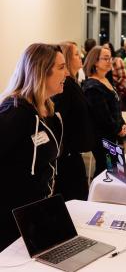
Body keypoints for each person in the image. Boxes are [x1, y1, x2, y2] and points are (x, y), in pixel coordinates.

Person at [0, 43, 68, 251]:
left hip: (38, 215)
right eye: (61, 67)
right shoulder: (16, 112)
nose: (67, 73)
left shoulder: (45, 109)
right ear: (41, 72)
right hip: (12, 224)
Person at [52, 41, 93, 201]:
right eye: (76, 54)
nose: (80, 56)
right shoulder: (67, 86)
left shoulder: (72, 84)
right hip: (68, 155)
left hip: (73, 152)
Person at [82, 46, 126, 178]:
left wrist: (122, 124)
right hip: (102, 137)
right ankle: (98, 196)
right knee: (105, 169)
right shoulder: (92, 86)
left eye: (110, 58)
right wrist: (118, 129)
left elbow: (116, 106)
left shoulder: (106, 79)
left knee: (115, 170)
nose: (110, 61)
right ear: (95, 61)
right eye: (106, 58)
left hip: (113, 133)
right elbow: (102, 116)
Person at [103, 42, 126, 111]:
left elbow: (123, 77)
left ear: (111, 50)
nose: (105, 51)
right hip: (106, 94)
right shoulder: (101, 62)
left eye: (107, 48)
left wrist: (116, 90)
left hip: (118, 93)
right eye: (103, 48)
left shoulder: (117, 60)